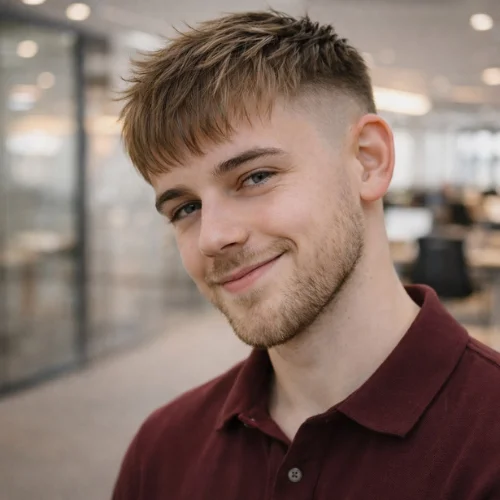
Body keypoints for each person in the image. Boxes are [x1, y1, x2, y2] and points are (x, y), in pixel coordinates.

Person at [112, 11, 500, 500]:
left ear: (367, 160)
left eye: (255, 177)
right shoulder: (161, 450)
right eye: (185, 207)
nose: (212, 236)